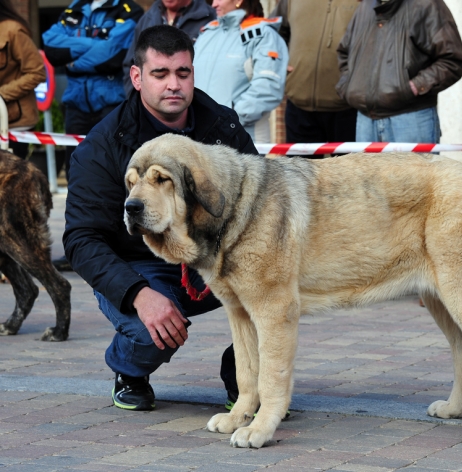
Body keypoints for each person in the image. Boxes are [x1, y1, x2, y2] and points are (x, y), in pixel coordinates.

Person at [63, 25, 256, 410]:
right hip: (140, 265)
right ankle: (129, 370)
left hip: (211, 260)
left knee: (279, 298)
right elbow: (81, 239)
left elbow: (261, 206)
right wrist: (137, 294)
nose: (174, 85)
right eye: (160, 73)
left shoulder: (222, 127)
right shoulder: (103, 145)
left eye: (182, 73)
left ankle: (244, 375)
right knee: (151, 333)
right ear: (137, 77)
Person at [43, 0, 144, 272]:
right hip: (76, 104)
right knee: (76, 174)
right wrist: (93, 48)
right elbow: (51, 49)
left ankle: (120, 247)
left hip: (111, 104)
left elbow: (114, 55)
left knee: (119, 176)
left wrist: (74, 60)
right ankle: (79, 246)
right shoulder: (73, 10)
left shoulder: (129, 11)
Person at [336, 0, 462, 144]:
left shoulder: (427, 4)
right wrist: (348, 86)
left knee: (416, 168)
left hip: (411, 119)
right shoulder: (365, 6)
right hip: (365, 121)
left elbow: (452, 60)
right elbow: (344, 53)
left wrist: (414, 87)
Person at [192, 0, 288, 143]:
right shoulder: (207, 33)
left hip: (243, 138)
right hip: (201, 136)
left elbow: (268, 87)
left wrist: (228, 121)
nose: (213, 4)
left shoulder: (264, 35)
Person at [269, 0, 359, 147]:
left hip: (347, 107)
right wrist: (278, 60)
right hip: (298, 103)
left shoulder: (364, 2)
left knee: (347, 170)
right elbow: (272, 31)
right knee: (300, 169)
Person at [122, 0, 216, 96]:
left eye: (183, 75)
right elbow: (131, 62)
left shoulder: (210, 17)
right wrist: (137, 101)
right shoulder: (148, 17)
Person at [0, 0, 46, 159]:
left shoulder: (13, 30)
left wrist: (1, 95)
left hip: (14, 122)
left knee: (11, 180)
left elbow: (37, 72)